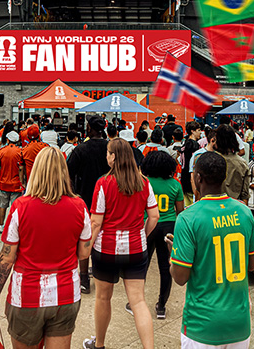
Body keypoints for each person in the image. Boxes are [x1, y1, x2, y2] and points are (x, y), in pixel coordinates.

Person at [0, 146, 92, 349]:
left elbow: (6, 259)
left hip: (27, 296)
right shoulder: (79, 207)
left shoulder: (20, 207)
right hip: (66, 294)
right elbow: (84, 253)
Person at [169, 151, 254, 349]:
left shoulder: (188, 218)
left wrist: (173, 256)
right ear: (224, 177)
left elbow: (180, 277)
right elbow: (251, 265)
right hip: (239, 322)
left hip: (202, 325)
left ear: (198, 177)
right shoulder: (244, 211)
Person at [83, 137, 159, 349]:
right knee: (138, 301)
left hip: (106, 250)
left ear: (114, 157)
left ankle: (99, 344)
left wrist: (85, 248)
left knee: (103, 298)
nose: (106, 156)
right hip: (136, 249)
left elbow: (96, 222)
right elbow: (154, 216)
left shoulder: (103, 183)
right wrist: (142, 235)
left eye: (108, 152)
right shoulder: (143, 182)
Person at [65, 117, 111, 294]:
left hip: (85, 200)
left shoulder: (80, 149)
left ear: (89, 128)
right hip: (108, 201)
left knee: (84, 239)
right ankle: (102, 273)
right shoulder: (110, 148)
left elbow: (68, 173)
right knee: (104, 236)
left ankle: (83, 278)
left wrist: (72, 194)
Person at [140, 150, 184, 319]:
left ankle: (137, 301)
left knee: (142, 264)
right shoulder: (175, 184)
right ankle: (161, 306)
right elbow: (180, 210)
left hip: (148, 225)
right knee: (165, 268)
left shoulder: (145, 182)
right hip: (168, 227)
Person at [0, 131, 25, 234]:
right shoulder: (20, 152)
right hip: (16, 184)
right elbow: (21, 168)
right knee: (15, 207)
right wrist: (22, 182)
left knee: (2, 205)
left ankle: (1, 225)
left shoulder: (0, 151)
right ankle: (14, 226)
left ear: (7, 140)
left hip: (4, 183)